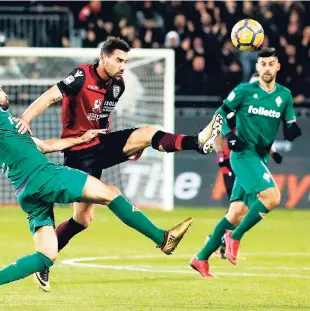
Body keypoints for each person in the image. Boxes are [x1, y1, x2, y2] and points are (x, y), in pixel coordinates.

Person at [0, 73, 193, 303]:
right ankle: (163, 239)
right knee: (110, 193)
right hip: (44, 177)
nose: (4, 93)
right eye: (0, 89)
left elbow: (45, 146)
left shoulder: (6, 125)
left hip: (26, 193)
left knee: (46, 256)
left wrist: (80, 139)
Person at [15, 36, 223, 291]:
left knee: (147, 133)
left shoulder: (118, 86)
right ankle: (44, 260)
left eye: (126, 61)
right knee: (83, 219)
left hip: (99, 144)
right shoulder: (81, 75)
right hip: (77, 152)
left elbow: (102, 121)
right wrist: (25, 119)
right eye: (119, 60)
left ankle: (198, 142)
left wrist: (128, 149)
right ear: (104, 57)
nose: (123, 66)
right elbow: (49, 96)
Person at [190, 47, 302, 277]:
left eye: (272, 64)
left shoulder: (285, 95)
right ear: (257, 67)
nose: (267, 68)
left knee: (236, 213)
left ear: (278, 66)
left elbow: (290, 123)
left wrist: (292, 131)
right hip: (242, 155)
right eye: (263, 64)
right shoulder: (244, 90)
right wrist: (229, 136)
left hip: (259, 157)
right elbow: (221, 113)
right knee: (272, 197)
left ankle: (200, 258)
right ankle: (234, 236)